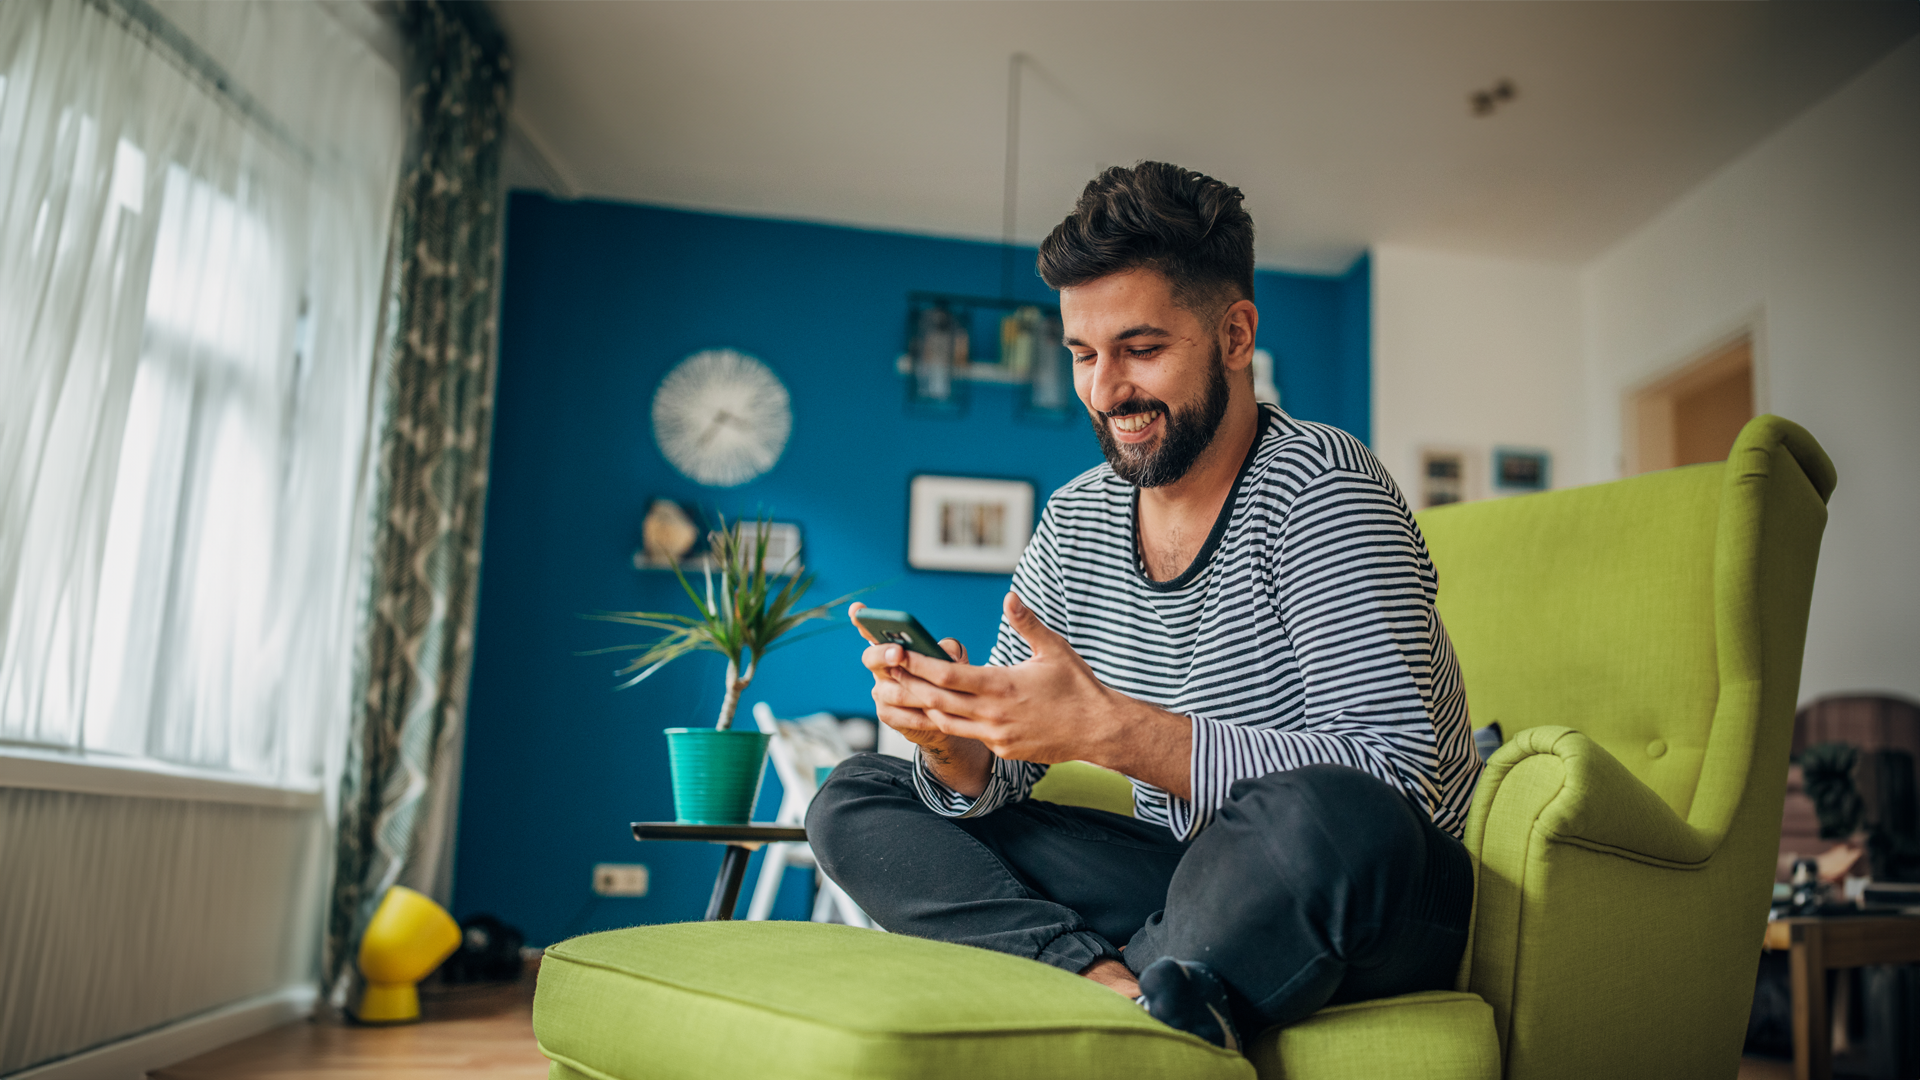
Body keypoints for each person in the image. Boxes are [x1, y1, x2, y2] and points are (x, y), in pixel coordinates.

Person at [808, 162, 1481, 1052]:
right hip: (1191, 876)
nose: (1104, 389)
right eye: (1083, 354)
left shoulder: (1326, 488)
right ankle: (1114, 988)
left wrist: (1110, 731)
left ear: (1235, 335)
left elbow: (1398, 781)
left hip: (1369, 880)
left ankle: (1144, 991)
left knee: (1324, 813)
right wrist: (956, 743)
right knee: (856, 796)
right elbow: (1007, 768)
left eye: (1141, 348)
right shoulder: (1079, 516)